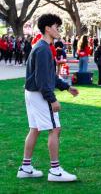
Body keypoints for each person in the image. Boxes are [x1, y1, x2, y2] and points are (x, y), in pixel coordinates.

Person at [17, 14, 79, 182]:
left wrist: (66, 87)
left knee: (35, 129)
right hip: (39, 94)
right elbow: (43, 80)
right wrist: (52, 99)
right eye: (56, 26)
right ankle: (55, 171)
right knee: (55, 129)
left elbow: (48, 75)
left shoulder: (42, 47)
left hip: (32, 93)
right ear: (47, 29)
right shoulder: (43, 48)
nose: (58, 29)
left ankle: (25, 167)